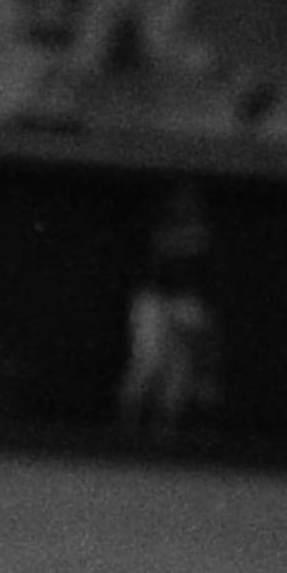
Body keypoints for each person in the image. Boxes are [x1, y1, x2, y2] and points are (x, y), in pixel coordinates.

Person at [118, 180, 219, 440]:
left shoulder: (202, 232)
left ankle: (164, 431)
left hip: (185, 298)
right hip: (153, 298)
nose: (185, 205)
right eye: (181, 199)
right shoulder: (157, 224)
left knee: (180, 367)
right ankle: (126, 429)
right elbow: (153, 261)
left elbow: (205, 275)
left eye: (190, 201)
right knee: (148, 361)